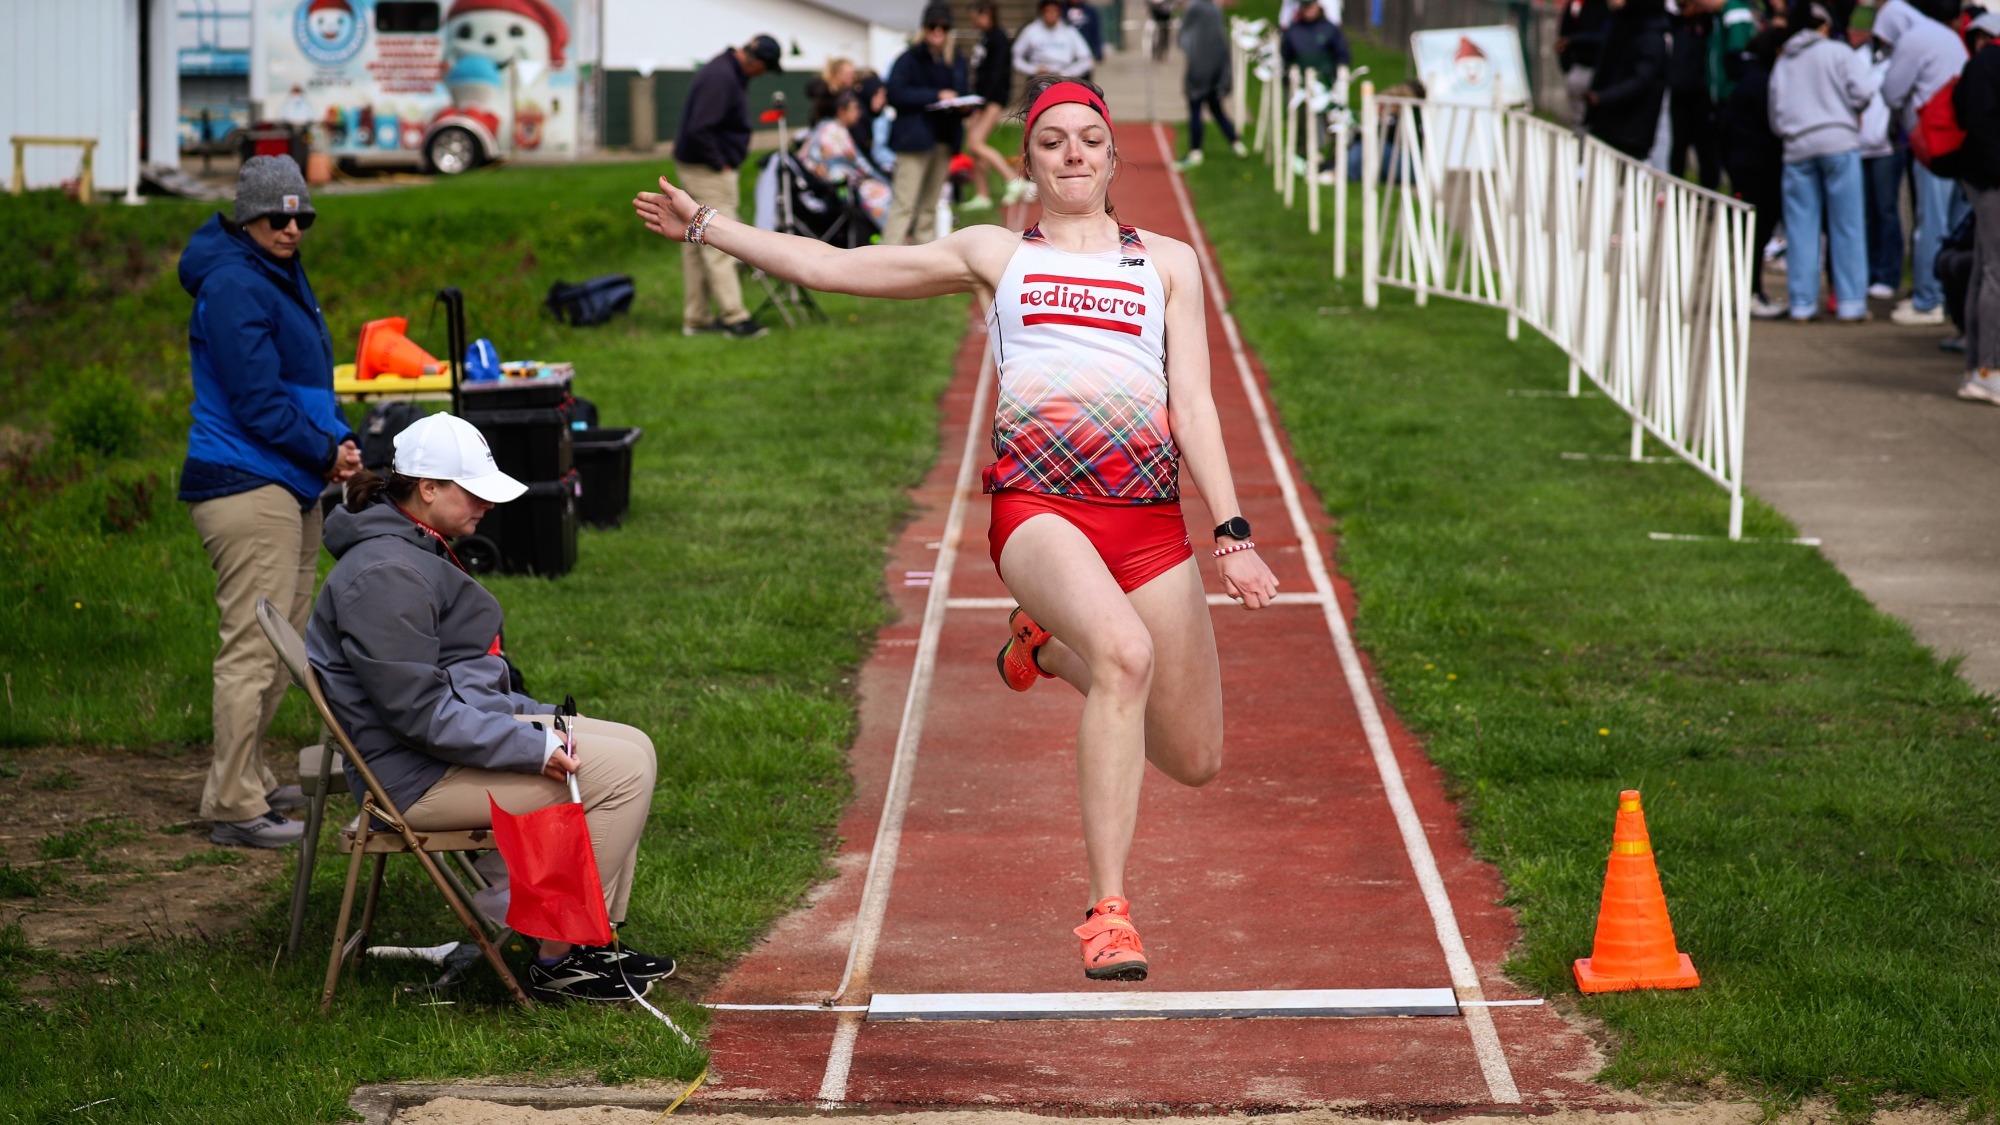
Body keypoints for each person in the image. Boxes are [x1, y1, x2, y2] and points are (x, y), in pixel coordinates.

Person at [633, 74, 1282, 982]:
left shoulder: (1167, 262)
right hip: (1040, 510)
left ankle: (1048, 650)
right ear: (1025, 160)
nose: (1071, 156)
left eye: (1087, 141)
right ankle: (1108, 911)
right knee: (1127, 657)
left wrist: (1234, 532)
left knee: (1197, 757)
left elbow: (1197, 408)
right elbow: (834, 266)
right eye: (1051, 141)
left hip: (1146, 521)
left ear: (1112, 155)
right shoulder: (995, 254)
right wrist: (709, 226)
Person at [307, 413, 675, 1003]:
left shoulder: (405, 542)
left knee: (634, 744)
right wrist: (530, 744)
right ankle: (564, 958)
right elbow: (420, 716)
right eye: (473, 490)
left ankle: (585, 942)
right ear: (427, 488)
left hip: (428, 752)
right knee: (620, 771)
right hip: (413, 779)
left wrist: (532, 718)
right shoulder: (383, 573)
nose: (487, 503)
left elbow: (444, 686)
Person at [179, 155, 361, 849]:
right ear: (247, 216)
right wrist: (324, 451)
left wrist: (337, 438)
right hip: (246, 481)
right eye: (276, 216)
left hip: (288, 478)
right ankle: (233, 806)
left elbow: (303, 387)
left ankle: (248, 776)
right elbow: (257, 399)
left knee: (284, 641)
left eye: (301, 216)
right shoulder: (231, 282)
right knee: (253, 647)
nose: (291, 227)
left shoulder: (273, 272)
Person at [671, 34, 783, 340]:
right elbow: (699, 127)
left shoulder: (725, 70)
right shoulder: (722, 77)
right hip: (707, 170)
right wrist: (720, 162)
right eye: (766, 69)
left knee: (695, 239)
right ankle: (735, 317)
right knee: (721, 239)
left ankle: (696, 318)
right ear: (758, 63)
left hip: (697, 165)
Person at [1769, 4, 1877, 321]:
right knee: (1847, 225)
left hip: (1797, 146)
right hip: (1838, 142)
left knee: (1801, 228)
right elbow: (1864, 91)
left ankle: (1802, 303)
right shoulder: (1838, 52)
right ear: (1825, 26)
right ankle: (1851, 303)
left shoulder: (1784, 60)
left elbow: (1775, 114)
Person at [1875, 0, 1971, 325]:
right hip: (1960, 139)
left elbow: (1892, 90)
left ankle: (1928, 298)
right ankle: (1946, 298)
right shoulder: (1950, 37)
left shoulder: (1916, 37)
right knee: (1955, 222)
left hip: (1935, 140)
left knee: (1931, 221)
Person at [883, 4, 970, 245]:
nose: (938, 31)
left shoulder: (956, 59)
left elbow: (963, 92)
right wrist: (935, 95)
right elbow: (895, 94)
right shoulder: (909, 58)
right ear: (925, 28)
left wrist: (963, 104)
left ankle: (923, 266)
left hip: (944, 139)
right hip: (914, 140)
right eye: (933, 26)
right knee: (904, 205)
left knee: (929, 207)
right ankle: (884, 263)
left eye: (944, 26)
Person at [1722, 26, 1792, 318]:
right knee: (1755, 232)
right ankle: (1749, 293)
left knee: (1755, 233)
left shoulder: (1749, 77)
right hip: (1756, 166)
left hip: (1746, 163)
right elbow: (1772, 123)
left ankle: (1752, 291)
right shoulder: (1761, 82)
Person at [1954, 12, 2000, 401]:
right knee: (1994, 274)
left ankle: (1978, 366)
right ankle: (1989, 369)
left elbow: (1959, 111)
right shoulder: (1989, 64)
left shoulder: (1975, 66)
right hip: (1991, 178)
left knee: (1985, 271)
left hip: (1979, 176)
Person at [1586, 0, 1672, 160]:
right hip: (1608, 124)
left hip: (1630, 132)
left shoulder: (1651, 35)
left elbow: (1641, 80)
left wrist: (1602, 97)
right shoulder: (1620, 24)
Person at [965, 0, 1028, 209]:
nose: (972, 20)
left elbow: (998, 74)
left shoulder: (998, 38)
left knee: (975, 142)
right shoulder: (984, 37)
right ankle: (982, 194)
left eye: (974, 16)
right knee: (975, 147)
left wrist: (985, 102)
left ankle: (1012, 179)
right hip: (980, 100)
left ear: (985, 14)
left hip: (991, 100)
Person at [1855, 32, 1903, 300]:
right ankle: (1869, 273)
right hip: (1860, 147)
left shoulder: (1897, 57)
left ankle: (1888, 274)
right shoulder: (1855, 56)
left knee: (1886, 211)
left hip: (1886, 147)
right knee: (1866, 213)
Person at [802, 91, 894, 228]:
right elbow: (855, 164)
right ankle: (892, 236)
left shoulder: (831, 127)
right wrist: (876, 177)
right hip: (839, 188)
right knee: (883, 194)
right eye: (854, 108)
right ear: (841, 111)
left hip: (836, 185)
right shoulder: (834, 131)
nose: (859, 113)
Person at [1177, 0, 1246, 168]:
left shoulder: (1193, 9)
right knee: (1216, 108)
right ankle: (1236, 144)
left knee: (1196, 108)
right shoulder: (1215, 9)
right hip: (1217, 67)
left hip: (1199, 69)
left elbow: (1182, 39)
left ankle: (1196, 151)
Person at [1558, 0, 1612, 130]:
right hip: (1579, 68)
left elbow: (1605, 37)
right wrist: (1568, 66)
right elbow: (1563, 36)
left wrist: (1574, 40)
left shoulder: (1609, 8)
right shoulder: (1575, 5)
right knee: (1578, 120)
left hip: (1602, 71)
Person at [1015, 0, 1096, 81]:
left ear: (1059, 13)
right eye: (1047, 11)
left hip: (1064, 78)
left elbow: (1086, 59)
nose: (1051, 15)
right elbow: (1016, 57)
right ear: (1041, 13)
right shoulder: (1030, 30)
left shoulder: (1069, 31)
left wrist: (1067, 73)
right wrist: (1033, 69)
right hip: (1039, 78)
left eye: (1054, 11)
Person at [808, 56, 858, 123]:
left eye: (853, 73)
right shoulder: (826, 90)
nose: (852, 76)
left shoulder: (849, 91)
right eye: (849, 74)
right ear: (837, 74)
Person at [1067, 0, 1107, 76]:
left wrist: (1098, 52)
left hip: (1086, 54)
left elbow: (1096, 32)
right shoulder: (1062, 9)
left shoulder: (1090, 10)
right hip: (1068, 57)